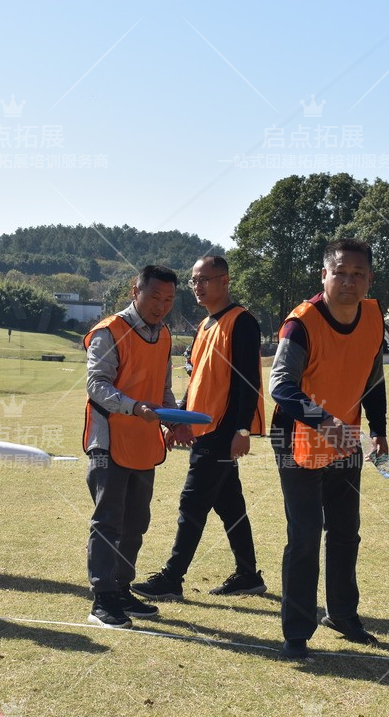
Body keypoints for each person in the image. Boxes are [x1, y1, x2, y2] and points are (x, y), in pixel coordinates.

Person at [268, 238, 388, 659]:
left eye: (358, 274)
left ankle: (342, 614)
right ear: (324, 275)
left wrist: (379, 428)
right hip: (297, 439)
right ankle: (296, 633)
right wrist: (325, 421)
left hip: (347, 439)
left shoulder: (374, 318)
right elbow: (280, 387)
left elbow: (372, 378)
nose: (349, 282)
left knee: (344, 532)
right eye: (340, 272)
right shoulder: (300, 324)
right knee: (303, 537)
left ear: (370, 278)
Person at [131, 256, 267, 602]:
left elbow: (247, 382)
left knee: (192, 503)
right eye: (194, 280)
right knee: (230, 504)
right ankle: (248, 575)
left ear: (225, 281)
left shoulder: (242, 322)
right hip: (202, 429)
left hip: (222, 431)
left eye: (205, 279)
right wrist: (179, 421)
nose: (198, 286)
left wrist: (242, 430)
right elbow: (198, 383)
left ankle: (172, 578)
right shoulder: (207, 324)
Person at [83, 265, 184, 629]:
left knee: (136, 522)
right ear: (134, 291)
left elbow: (163, 390)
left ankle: (121, 588)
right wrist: (134, 407)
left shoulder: (166, 335)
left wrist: (174, 420)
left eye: (169, 299)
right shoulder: (109, 331)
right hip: (109, 442)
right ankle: (102, 598)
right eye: (155, 296)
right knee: (108, 521)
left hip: (144, 443)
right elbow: (97, 385)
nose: (161, 306)